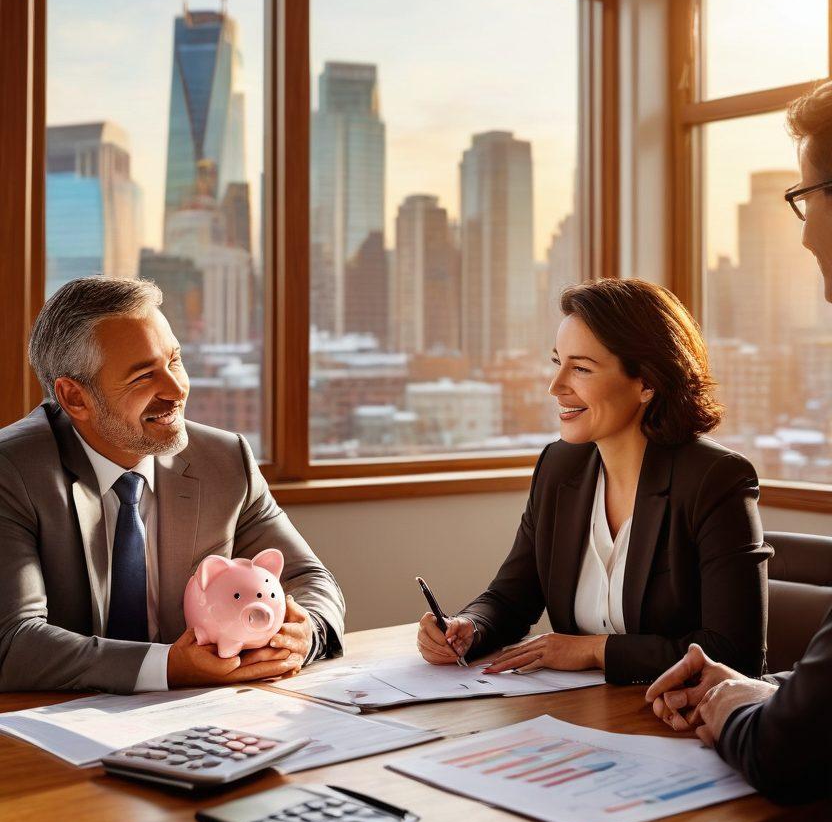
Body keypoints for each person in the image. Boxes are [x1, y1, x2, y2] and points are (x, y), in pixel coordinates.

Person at [417, 277, 771, 684]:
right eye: (557, 363)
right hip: (586, 715)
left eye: (581, 368)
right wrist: (467, 627)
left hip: (691, 723)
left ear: (647, 383)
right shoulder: (560, 466)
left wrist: (593, 650)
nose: (556, 386)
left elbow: (734, 653)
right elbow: (511, 597)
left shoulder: (715, 479)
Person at [0, 276, 345, 694]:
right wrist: (170, 667)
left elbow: (309, 578)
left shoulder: (224, 459)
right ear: (75, 398)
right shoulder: (12, 470)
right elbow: (13, 643)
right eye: (144, 376)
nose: (177, 389)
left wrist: (304, 635)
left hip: (201, 717)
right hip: (50, 726)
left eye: (175, 360)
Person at [647, 80, 832, 803]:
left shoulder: (715, 477)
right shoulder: (563, 472)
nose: (804, 229)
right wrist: (764, 693)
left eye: (804, 194)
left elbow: (790, 754)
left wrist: (735, 707)